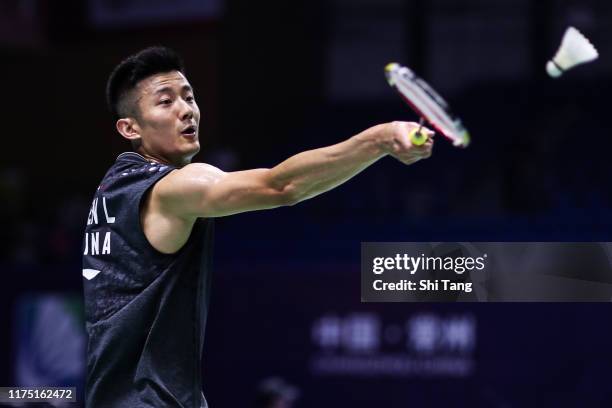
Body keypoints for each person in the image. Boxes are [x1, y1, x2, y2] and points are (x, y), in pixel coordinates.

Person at [82, 46, 434, 408]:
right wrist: (377, 141)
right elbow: (281, 187)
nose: (186, 110)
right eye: (165, 101)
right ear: (130, 128)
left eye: (189, 97)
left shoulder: (111, 190)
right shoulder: (171, 188)